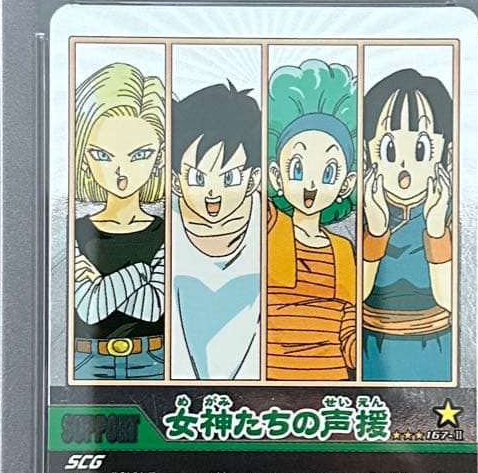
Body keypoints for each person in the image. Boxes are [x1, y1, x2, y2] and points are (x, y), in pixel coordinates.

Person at [72, 61, 165, 380]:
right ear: (83, 157)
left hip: (154, 359)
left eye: (139, 155)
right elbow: (88, 309)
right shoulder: (75, 231)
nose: (121, 171)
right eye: (103, 155)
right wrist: (141, 272)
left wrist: (102, 282)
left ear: (160, 158)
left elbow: (153, 307)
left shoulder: (167, 233)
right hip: (86, 359)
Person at [266, 58, 358, 381]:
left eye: (328, 172)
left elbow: (348, 321)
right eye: (298, 168)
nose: (311, 184)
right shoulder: (270, 226)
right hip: (268, 381)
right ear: (275, 176)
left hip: (331, 381)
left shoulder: (343, 250)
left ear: (346, 185)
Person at [361, 67, 453, 382]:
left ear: (446, 154)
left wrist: (436, 230)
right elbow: (355, 295)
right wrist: (376, 232)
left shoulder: (450, 216)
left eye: (420, 150)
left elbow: (449, 300)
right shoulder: (360, 216)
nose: (403, 164)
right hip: (371, 345)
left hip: (436, 344)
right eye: (388, 149)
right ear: (368, 153)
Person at [170, 82, 262, 379]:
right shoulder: (162, 231)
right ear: (175, 181)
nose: (213, 193)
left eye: (229, 178)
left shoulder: (274, 227)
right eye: (197, 178)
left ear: (253, 179)